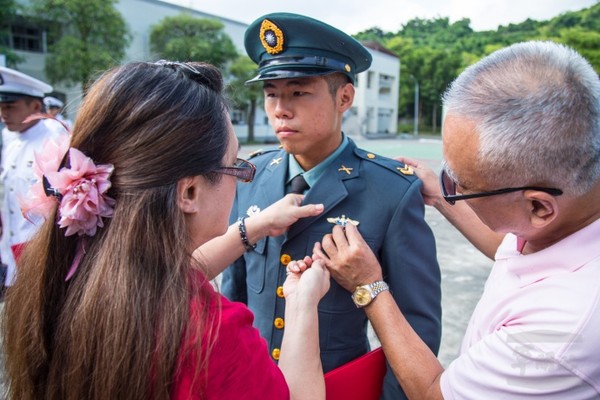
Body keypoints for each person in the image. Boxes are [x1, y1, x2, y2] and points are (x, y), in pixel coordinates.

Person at [2, 60, 331, 400]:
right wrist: (301, 304)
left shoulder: (58, 273)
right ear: (189, 192)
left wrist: (253, 227)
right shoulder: (212, 334)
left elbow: (168, 275)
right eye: (234, 166)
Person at [310, 41, 600, 398]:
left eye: (460, 184)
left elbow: (435, 393)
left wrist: (369, 287)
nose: (450, 187)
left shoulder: (560, 334)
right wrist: (445, 200)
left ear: (540, 207)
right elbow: (513, 250)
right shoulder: (571, 216)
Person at [220, 12, 441, 399]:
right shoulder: (252, 176)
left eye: (299, 92)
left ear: (345, 97)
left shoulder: (390, 190)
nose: (280, 110)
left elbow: (415, 326)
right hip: (251, 383)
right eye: (271, 93)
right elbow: (233, 297)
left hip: (336, 387)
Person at [0, 66, 68, 290]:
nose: (3, 114)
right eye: (1, 107)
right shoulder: (9, 138)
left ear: (36, 106)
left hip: (40, 252)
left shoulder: (57, 139)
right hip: (12, 248)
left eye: (10, 107)